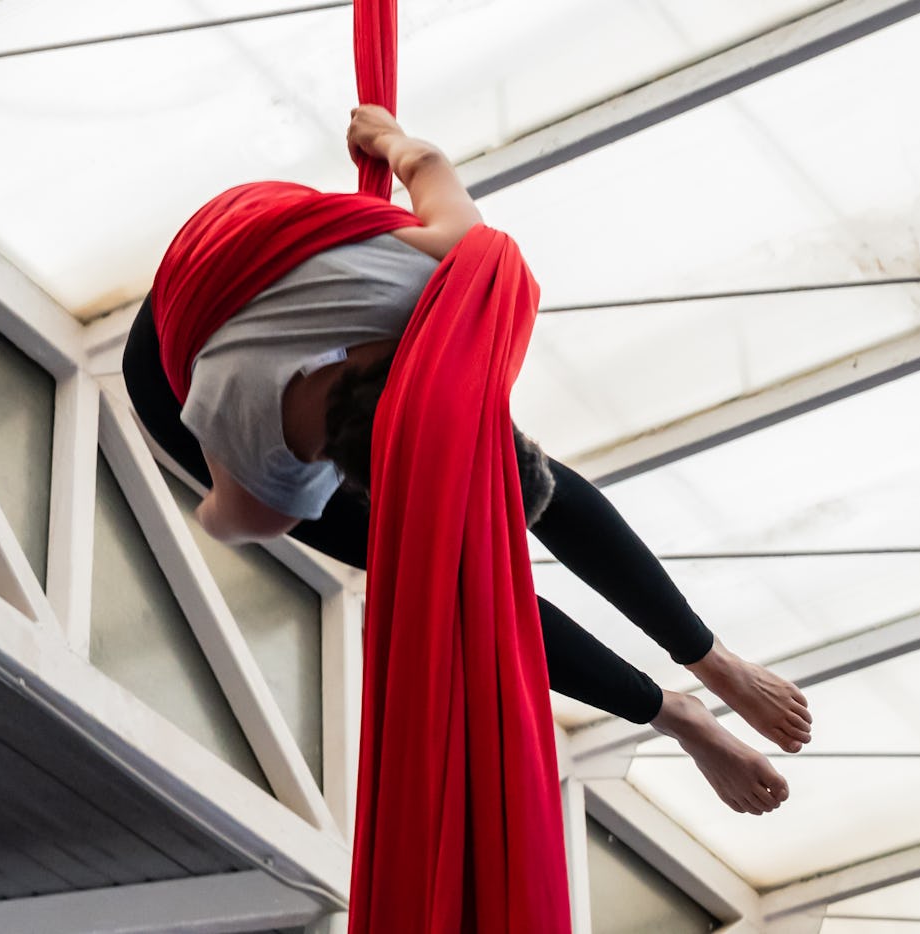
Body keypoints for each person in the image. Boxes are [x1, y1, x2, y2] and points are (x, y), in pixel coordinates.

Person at [124, 105, 812, 816]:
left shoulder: (436, 273)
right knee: (464, 579)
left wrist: (383, 137)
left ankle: (708, 658)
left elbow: (423, 165)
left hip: (263, 256)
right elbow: (221, 517)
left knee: (513, 502)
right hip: (172, 369)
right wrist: (384, 137)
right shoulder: (267, 464)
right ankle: (677, 713)